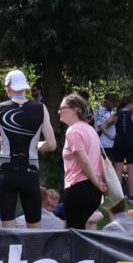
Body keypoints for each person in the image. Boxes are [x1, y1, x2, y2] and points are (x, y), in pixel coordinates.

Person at [0, 69, 56, 228]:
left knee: (8, 228)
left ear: (8, 87)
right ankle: (33, 253)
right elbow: (51, 144)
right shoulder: (41, 109)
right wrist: (35, 146)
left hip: (6, 172)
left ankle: (11, 253)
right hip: (29, 172)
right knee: (34, 227)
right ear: (24, 88)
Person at [58, 93, 107, 229]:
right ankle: (87, 251)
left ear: (76, 110)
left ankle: (79, 251)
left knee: (73, 234)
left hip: (78, 189)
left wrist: (97, 183)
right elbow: (99, 159)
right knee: (81, 230)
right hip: (93, 192)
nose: (59, 111)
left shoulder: (73, 130)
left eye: (62, 108)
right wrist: (99, 183)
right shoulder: (91, 130)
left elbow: (83, 160)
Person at [95, 94, 117, 163]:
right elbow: (100, 127)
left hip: (114, 144)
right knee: (105, 165)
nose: (113, 104)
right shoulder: (99, 112)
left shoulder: (114, 112)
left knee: (112, 166)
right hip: (104, 144)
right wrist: (109, 136)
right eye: (112, 102)